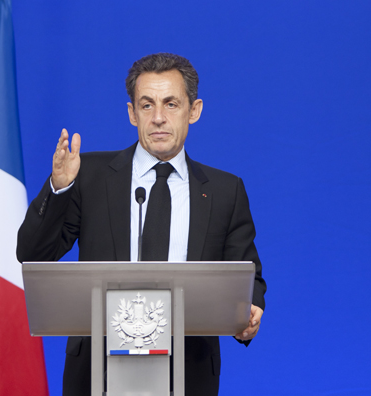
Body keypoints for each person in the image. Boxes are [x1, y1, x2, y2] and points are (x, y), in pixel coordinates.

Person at [17, 53, 265, 396]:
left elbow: (246, 272)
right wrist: (59, 188)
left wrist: (249, 311)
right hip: (97, 372)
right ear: (132, 113)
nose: (159, 118)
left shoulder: (225, 190)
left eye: (171, 104)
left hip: (188, 370)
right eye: (146, 105)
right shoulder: (89, 176)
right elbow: (33, 253)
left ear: (194, 110)